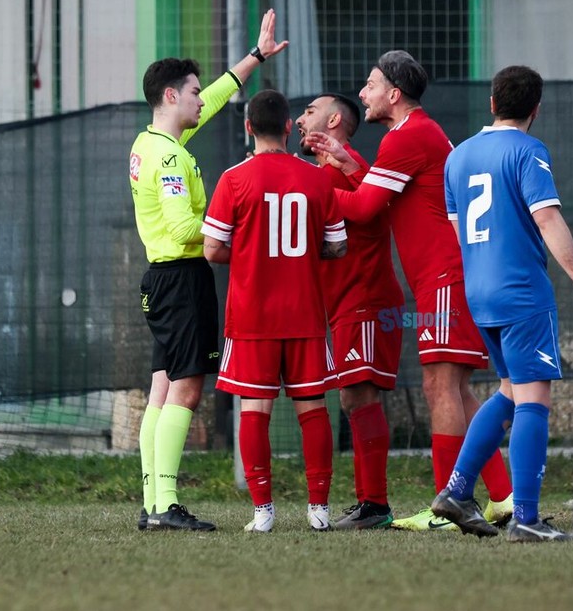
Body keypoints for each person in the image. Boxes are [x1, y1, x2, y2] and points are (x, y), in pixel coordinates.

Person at [305, 51, 514, 531]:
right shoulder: (417, 133)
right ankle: (501, 496)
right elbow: (379, 198)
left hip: (445, 276)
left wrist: (306, 187)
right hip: (448, 275)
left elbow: (363, 209)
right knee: (456, 389)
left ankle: (450, 505)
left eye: (371, 84)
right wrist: (346, 160)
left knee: (440, 386)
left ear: (394, 94)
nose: (363, 93)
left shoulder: (406, 137)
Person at [428, 65, 573, 542]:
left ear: (492, 103)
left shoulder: (458, 156)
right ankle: (526, 518)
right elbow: (547, 219)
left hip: (479, 292)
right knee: (533, 401)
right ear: (536, 110)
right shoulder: (529, 151)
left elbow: (457, 229)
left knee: (509, 390)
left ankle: (457, 491)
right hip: (521, 291)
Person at [130, 9, 288, 532]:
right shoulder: (170, 158)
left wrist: (255, 57)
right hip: (181, 280)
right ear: (171, 96)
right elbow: (182, 228)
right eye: (193, 92)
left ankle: (154, 502)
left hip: (161, 280)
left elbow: (218, 97)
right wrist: (237, 234)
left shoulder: (151, 143)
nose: (202, 100)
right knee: (187, 389)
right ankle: (165, 505)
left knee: (161, 389)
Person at [201, 89, 347, 533]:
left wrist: (250, 253)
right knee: (313, 409)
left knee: (254, 409)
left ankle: (263, 510)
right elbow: (338, 246)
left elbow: (212, 249)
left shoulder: (234, 179)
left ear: (249, 127)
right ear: (287, 127)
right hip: (304, 312)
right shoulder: (317, 178)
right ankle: (319, 509)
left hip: (252, 317)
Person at [295, 93, 405, 529]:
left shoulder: (350, 165)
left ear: (334, 121)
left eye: (309, 112)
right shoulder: (324, 174)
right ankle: (369, 503)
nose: (299, 119)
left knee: (360, 395)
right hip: (344, 304)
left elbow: (372, 211)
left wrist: (307, 190)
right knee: (352, 397)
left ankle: (375, 505)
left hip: (366, 300)